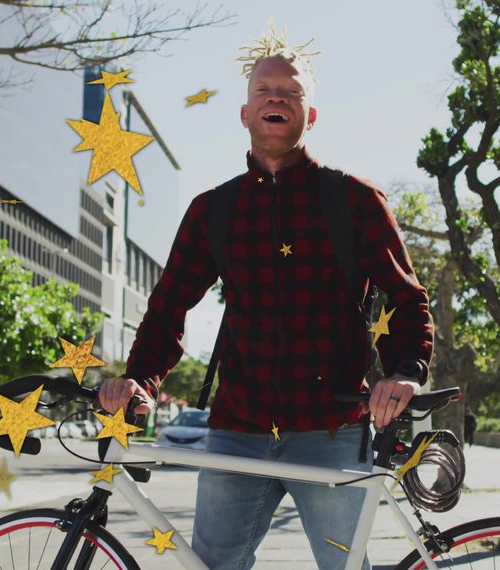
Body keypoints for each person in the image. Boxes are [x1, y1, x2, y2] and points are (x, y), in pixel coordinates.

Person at [99, 24, 434, 570]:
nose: (276, 97)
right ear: (244, 113)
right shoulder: (215, 209)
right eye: (264, 90)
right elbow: (168, 307)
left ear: (311, 115)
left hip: (332, 427)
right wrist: (141, 377)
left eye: (292, 91)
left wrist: (406, 368)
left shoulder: (355, 201)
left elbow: (407, 297)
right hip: (237, 431)